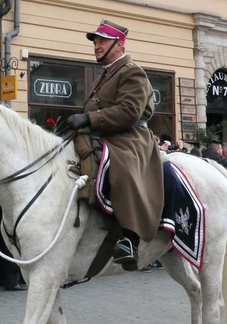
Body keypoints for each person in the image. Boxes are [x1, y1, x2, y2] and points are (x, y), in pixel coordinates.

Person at [64, 19, 164, 270]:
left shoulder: (132, 71)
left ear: (118, 45)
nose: (96, 46)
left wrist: (89, 118)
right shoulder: (106, 74)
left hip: (129, 138)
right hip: (104, 133)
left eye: (102, 41)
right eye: (95, 41)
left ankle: (129, 239)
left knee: (122, 168)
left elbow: (129, 112)